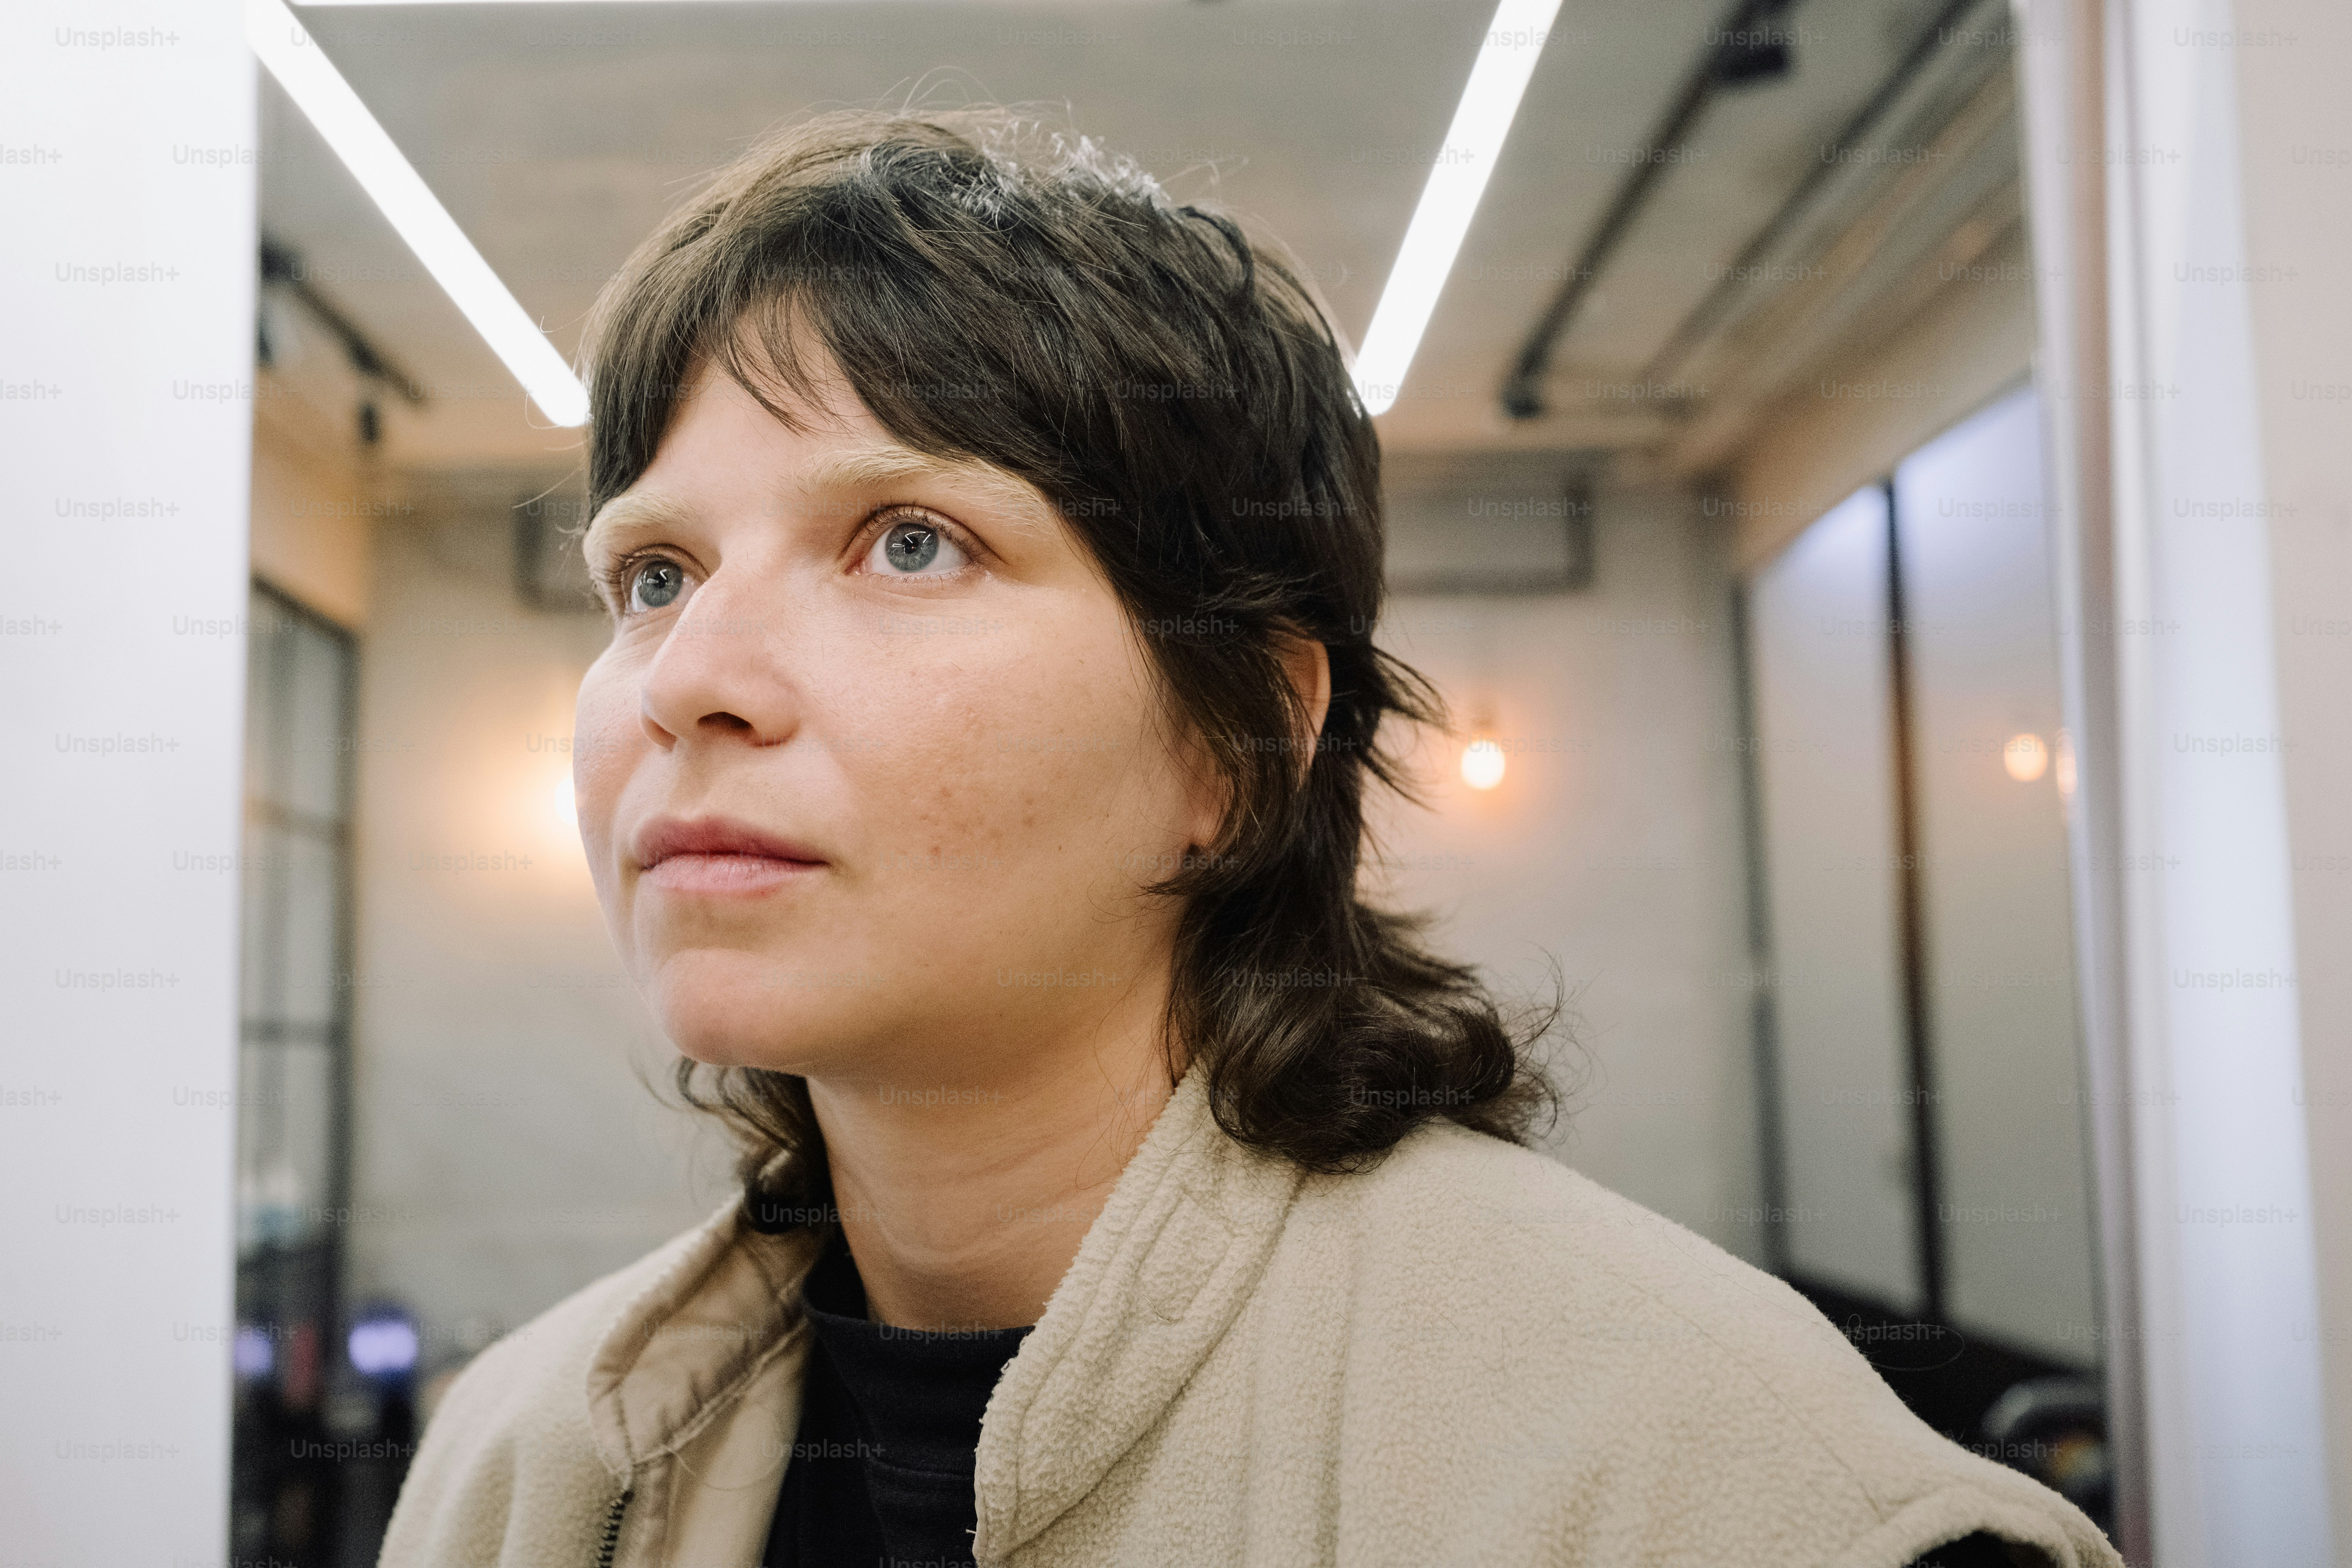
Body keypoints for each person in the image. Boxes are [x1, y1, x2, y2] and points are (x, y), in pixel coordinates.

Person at [378, 108, 2120, 1568]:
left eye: (910, 541)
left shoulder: (1701, 1486)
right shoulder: (528, 1468)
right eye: (654, 575)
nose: (692, 677)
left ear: (1242, 737)